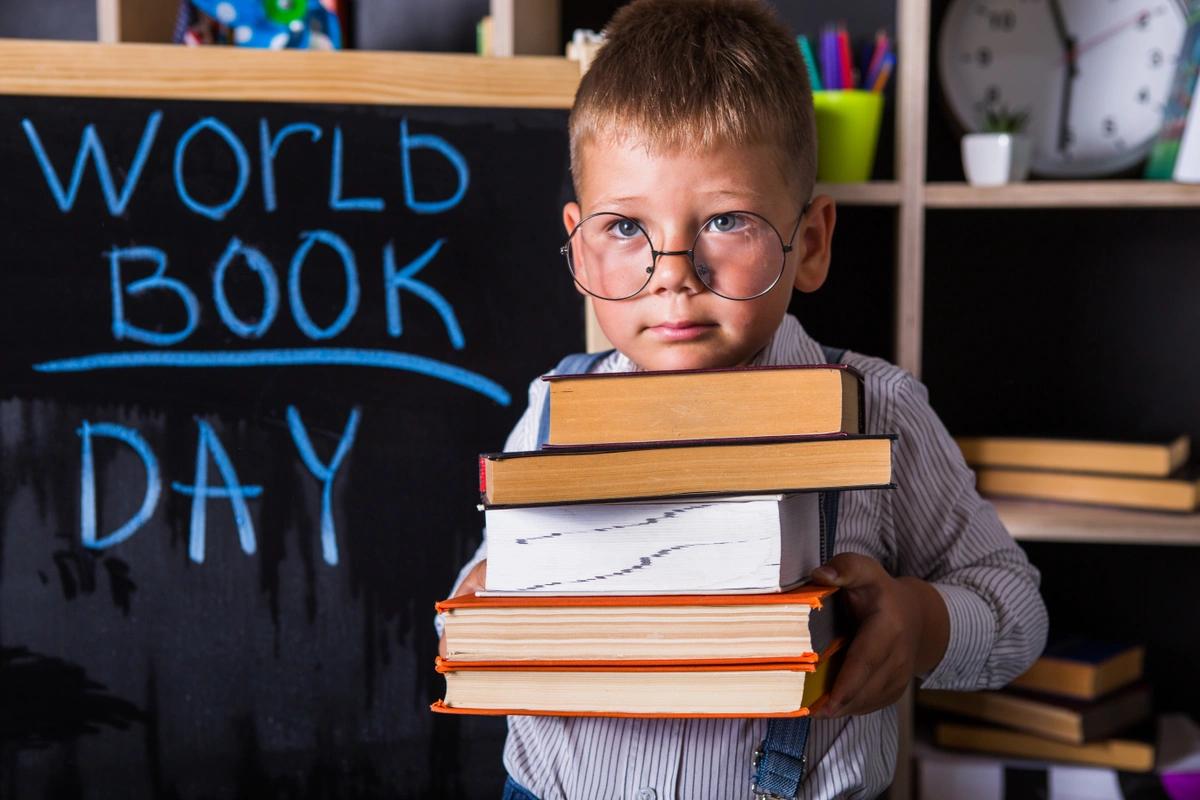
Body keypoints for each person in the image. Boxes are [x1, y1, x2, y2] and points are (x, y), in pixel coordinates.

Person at [438, 1, 1049, 797]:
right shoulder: (553, 410)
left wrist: (922, 622)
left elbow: (1015, 608)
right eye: (625, 228)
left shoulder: (881, 410)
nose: (673, 272)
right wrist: (480, 603)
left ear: (813, 242)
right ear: (578, 243)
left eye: (726, 219)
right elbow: (488, 577)